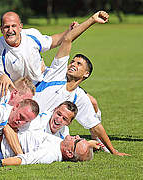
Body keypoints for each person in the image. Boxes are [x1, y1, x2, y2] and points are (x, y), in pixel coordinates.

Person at [32, 11, 129, 156]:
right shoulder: (56, 73)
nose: (73, 64)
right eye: (73, 61)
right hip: (26, 121)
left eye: (79, 64)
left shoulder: (79, 98)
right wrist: (91, 20)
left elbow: (95, 127)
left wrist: (113, 151)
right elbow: (67, 40)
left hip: (44, 134)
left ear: (86, 74)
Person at [0, 11, 77, 97]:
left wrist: (69, 31)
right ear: (1, 29)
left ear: (20, 27)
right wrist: (1, 77)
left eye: (14, 26)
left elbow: (53, 41)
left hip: (42, 83)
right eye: (6, 27)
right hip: (20, 92)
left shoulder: (31, 35)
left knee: (75, 92)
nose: (10, 30)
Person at [0, 133, 95, 166]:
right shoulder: (61, 143)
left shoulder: (49, 153)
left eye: (77, 140)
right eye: (81, 138)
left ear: (69, 153)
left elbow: (24, 160)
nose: (77, 136)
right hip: (1, 134)